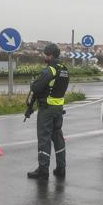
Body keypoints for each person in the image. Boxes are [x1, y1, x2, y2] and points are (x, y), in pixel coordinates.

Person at [27, 43, 70, 180]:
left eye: (45, 54)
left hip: (47, 109)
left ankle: (43, 169)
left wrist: (33, 83)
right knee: (58, 138)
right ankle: (61, 167)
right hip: (59, 108)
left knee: (44, 138)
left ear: (50, 55)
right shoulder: (64, 70)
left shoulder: (49, 70)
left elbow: (36, 87)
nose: (44, 56)